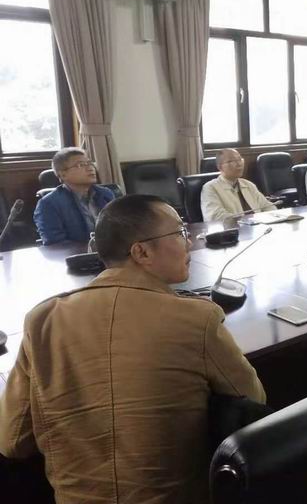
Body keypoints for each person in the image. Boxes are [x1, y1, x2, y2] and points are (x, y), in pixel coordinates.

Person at [0, 195, 266, 503]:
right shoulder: (197, 317)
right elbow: (252, 400)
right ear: (141, 252)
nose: (190, 242)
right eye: (180, 232)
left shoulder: (42, 320)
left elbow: (11, 440)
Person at [33, 147, 116, 245]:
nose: (90, 168)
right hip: (78, 254)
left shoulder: (106, 194)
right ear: (63, 174)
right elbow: (55, 244)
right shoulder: (49, 204)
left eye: (90, 163)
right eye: (80, 165)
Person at [201, 148, 276, 222]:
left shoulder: (248, 185)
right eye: (231, 161)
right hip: (233, 228)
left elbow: (268, 207)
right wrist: (244, 221)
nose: (239, 164)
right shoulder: (210, 188)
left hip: (259, 226)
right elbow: (214, 216)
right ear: (220, 167)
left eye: (240, 159)